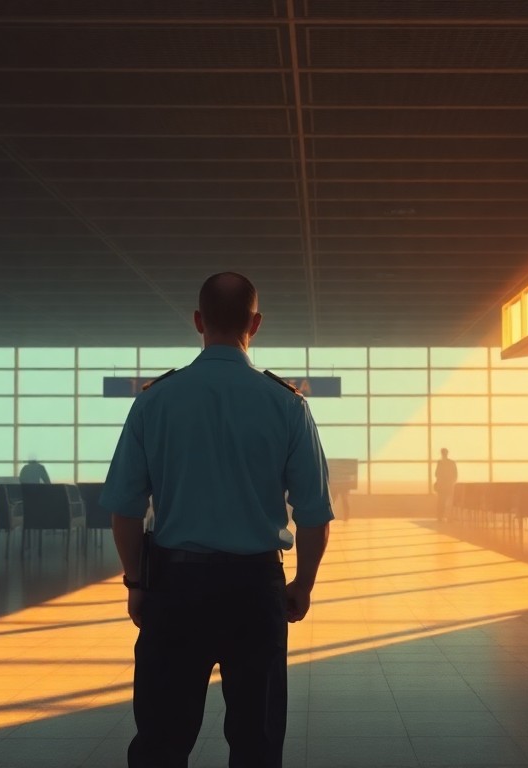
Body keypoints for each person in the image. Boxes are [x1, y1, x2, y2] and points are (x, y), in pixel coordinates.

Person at [101, 272, 333, 768]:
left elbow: (124, 510)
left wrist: (136, 583)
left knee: (162, 739)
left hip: (174, 585)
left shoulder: (154, 401)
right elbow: (314, 515)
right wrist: (302, 585)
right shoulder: (288, 405)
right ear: (256, 323)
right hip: (255, 588)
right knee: (257, 740)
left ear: (198, 322)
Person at [433, 447, 457, 521]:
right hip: (449, 485)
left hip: (442, 485)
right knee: (449, 502)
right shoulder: (451, 463)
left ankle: (440, 517)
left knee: (441, 502)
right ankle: (449, 517)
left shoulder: (440, 462)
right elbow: (455, 474)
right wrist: (452, 482)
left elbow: (436, 474)